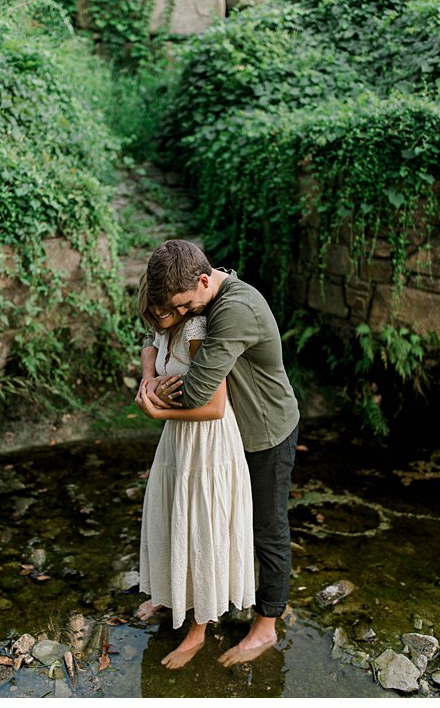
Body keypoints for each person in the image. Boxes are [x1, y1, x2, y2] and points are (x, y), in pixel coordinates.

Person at [136, 239, 300, 667]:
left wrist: (152, 402)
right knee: (214, 522)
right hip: (224, 437)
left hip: (263, 432)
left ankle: (266, 625)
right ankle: (199, 595)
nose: (185, 312)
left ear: (204, 281)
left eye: (187, 304)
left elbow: (195, 392)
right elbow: (156, 333)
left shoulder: (233, 310)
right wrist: (151, 375)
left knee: (267, 527)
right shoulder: (199, 297)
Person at [133, 276, 255, 669]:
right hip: (177, 442)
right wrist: (148, 376)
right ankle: (169, 595)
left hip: (207, 441)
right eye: (154, 313)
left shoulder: (197, 330)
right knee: (173, 519)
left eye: (166, 312)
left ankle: (199, 631)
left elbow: (216, 407)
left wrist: (156, 411)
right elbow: (149, 348)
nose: (161, 319)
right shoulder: (163, 326)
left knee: (201, 528)